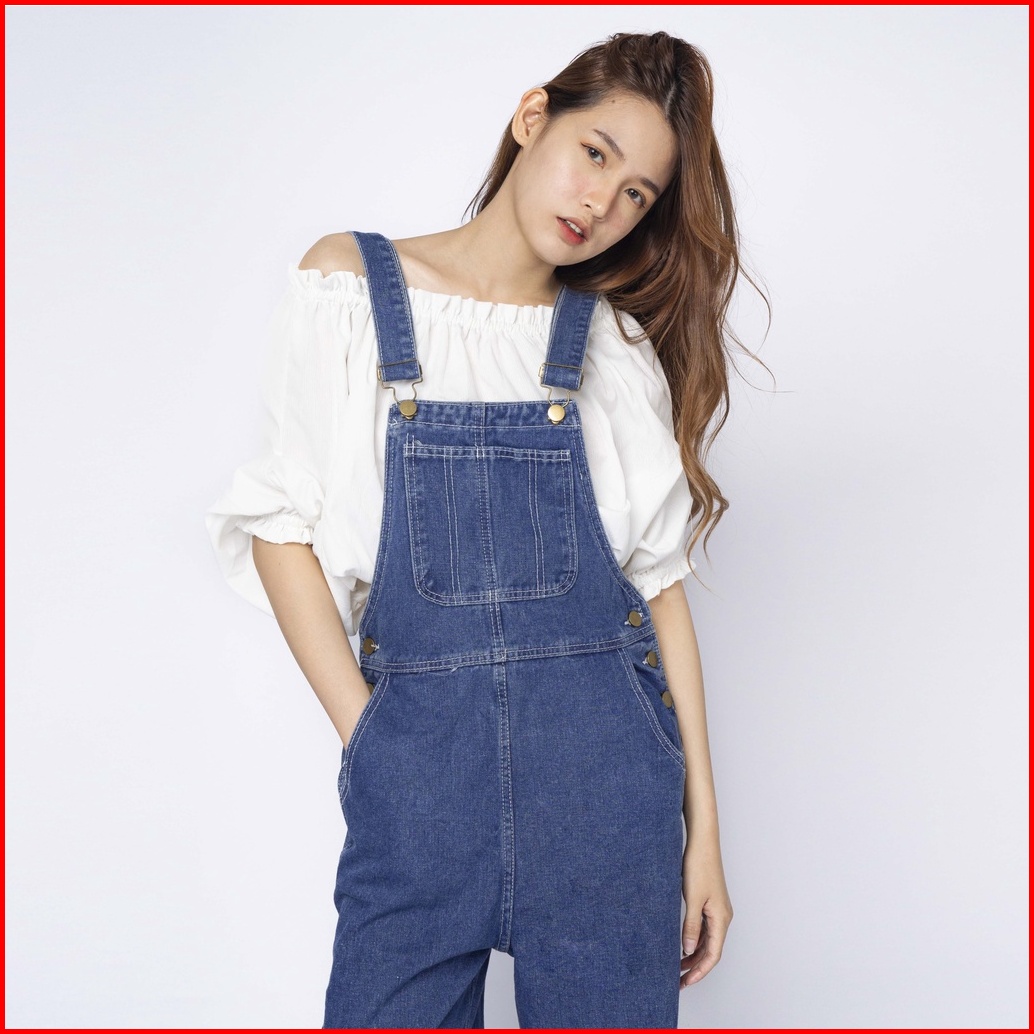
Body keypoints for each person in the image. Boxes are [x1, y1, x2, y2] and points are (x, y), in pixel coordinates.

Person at [207, 29, 757, 1029]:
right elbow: (281, 526)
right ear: (533, 116)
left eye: (636, 193)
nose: (601, 202)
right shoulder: (349, 287)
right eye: (595, 153)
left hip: (604, 798)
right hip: (420, 791)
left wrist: (704, 835)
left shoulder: (611, 348)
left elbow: (659, 588)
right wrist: (373, 740)